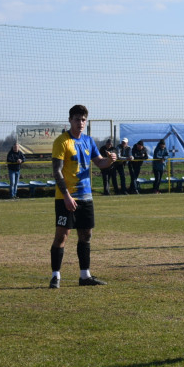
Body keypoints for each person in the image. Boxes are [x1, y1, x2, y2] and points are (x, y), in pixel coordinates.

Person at [49, 104, 117, 288]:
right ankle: (55, 276)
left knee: (86, 235)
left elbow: (100, 163)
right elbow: (57, 171)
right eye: (77, 119)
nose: (80, 123)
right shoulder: (62, 141)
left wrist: (110, 160)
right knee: (62, 236)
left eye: (83, 120)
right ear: (70, 120)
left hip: (86, 197)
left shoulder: (88, 141)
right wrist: (66, 196)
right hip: (66, 197)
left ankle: (85, 276)